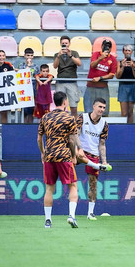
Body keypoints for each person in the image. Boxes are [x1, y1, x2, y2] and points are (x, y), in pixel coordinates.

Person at [38, 92, 80, 228]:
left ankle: (47, 220)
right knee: (73, 186)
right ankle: (71, 216)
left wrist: (43, 153)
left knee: (49, 188)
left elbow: (39, 138)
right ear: (65, 102)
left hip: (49, 155)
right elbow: (72, 140)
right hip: (64, 155)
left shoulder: (45, 117)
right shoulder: (69, 118)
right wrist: (73, 156)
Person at [76, 98, 113, 221]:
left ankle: (90, 213)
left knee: (93, 184)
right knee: (66, 167)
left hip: (93, 154)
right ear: (93, 106)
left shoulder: (104, 124)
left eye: (104, 107)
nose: (102, 109)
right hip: (80, 151)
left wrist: (104, 161)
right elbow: (75, 135)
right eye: (100, 107)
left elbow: (102, 144)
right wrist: (79, 149)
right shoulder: (82, 118)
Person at [84, 40, 117, 116]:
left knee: (104, 111)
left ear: (111, 48)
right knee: (89, 110)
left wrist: (100, 78)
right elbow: (92, 65)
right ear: (102, 46)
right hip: (91, 85)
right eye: (105, 46)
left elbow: (112, 74)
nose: (107, 48)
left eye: (109, 46)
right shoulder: (96, 54)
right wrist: (100, 58)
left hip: (103, 87)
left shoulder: (113, 59)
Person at [52, 36, 82, 117]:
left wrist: (70, 55)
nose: (65, 44)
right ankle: (60, 122)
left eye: (66, 43)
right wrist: (58, 56)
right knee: (59, 106)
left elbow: (79, 63)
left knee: (73, 106)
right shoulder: (57, 54)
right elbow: (55, 66)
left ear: (69, 44)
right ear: (60, 44)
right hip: (60, 82)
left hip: (71, 82)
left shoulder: (74, 53)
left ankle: (74, 123)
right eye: (63, 43)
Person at [116, 44, 135, 124]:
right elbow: (118, 76)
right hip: (123, 86)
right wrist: (122, 66)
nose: (127, 52)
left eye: (129, 50)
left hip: (132, 86)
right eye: (126, 50)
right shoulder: (119, 62)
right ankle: (123, 127)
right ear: (123, 52)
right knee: (124, 112)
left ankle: (130, 127)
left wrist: (133, 67)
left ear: (131, 52)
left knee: (130, 111)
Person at [16, 48, 38, 124]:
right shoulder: (21, 65)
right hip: (24, 91)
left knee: (31, 112)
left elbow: (37, 77)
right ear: (24, 56)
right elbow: (21, 74)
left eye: (31, 55)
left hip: (32, 91)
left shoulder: (35, 66)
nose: (30, 57)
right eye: (28, 55)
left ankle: (30, 127)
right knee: (24, 112)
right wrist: (28, 66)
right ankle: (24, 126)